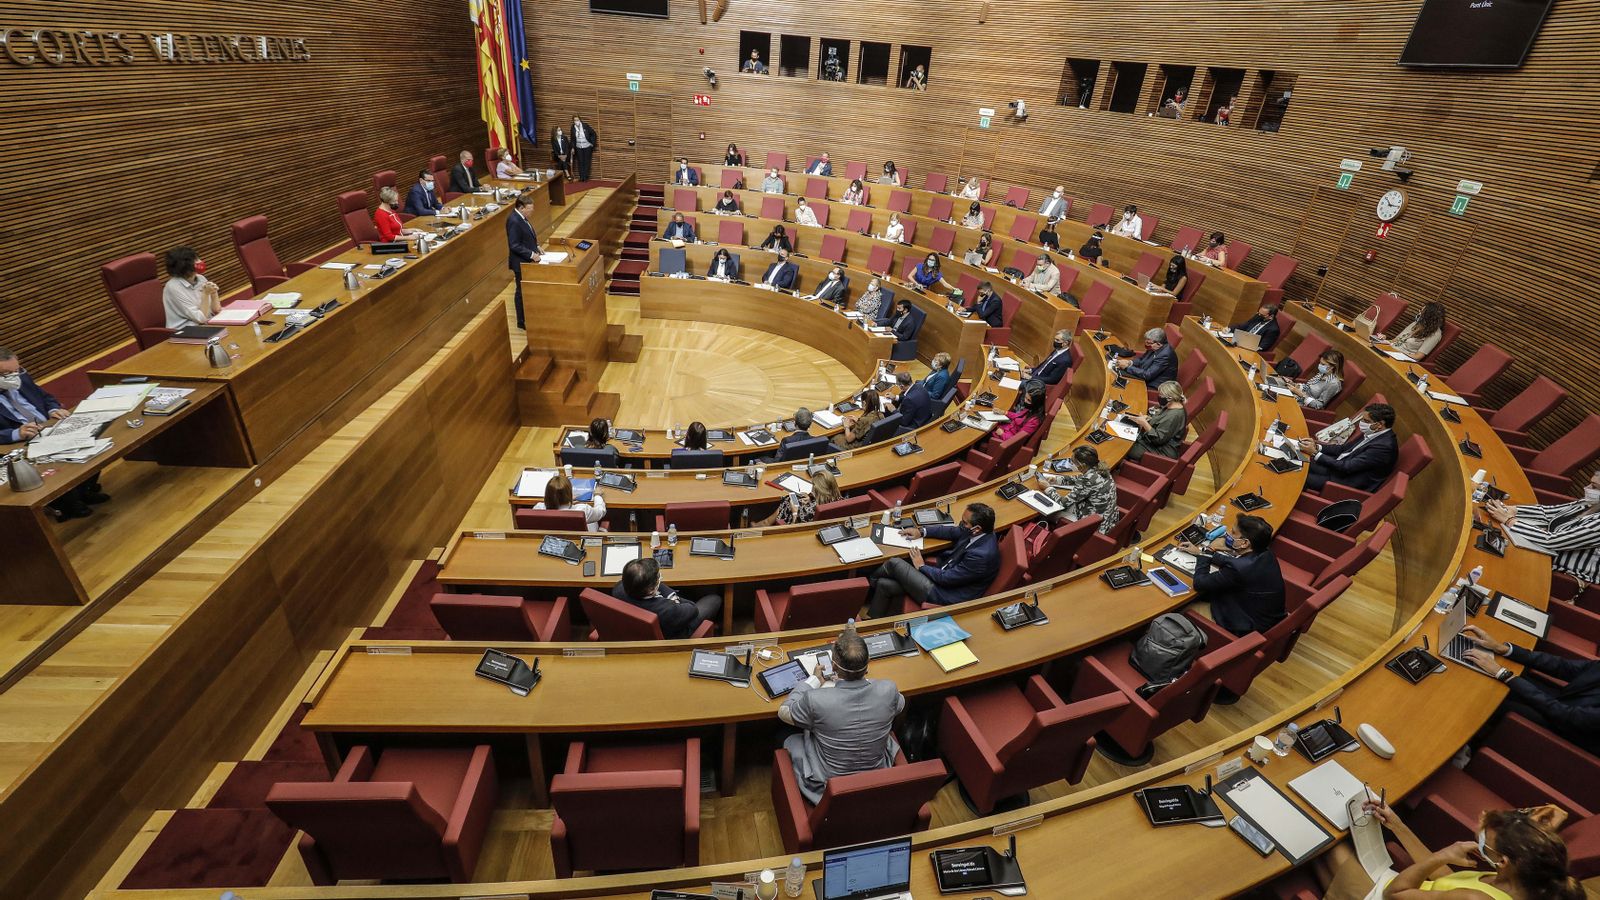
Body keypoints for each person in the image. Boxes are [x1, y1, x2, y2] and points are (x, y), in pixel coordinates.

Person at [1314, 803, 1582, 900]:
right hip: (1405, 888)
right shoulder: (1512, 881)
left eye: (1485, 839)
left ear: (1503, 861)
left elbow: (1394, 893)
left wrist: (1443, 854)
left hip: (1390, 893)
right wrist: (1398, 825)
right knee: (1317, 853)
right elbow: (1444, 880)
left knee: (1324, 842)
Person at [778, 623, 905, 804]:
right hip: (876, 774)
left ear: (834, 667)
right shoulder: (888, 689)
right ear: (867, 665)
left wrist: (814, 680)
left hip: (831, 783)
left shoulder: (816, 700)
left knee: (787, 737)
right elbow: (899, 706)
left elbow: (784, 711)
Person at [1461, 609, 1600, 754]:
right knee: (1498, 683)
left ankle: (1468, 746)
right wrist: (1502, 649)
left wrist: (1503, 674)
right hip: (1563, 701)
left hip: (1562, 731)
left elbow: (1565, 715)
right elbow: (1563, 666)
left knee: (1490, 700)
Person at [0, 348, 108, 521]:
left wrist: (53, 409)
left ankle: (84, 491)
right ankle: (68, 504)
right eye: (6, 374)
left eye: (16, 371)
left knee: (93, 441)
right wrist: (14, 433)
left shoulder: (20, 377)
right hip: (18, 443)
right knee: (59, 459)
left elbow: (45, 397)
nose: (13, 377)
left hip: (50, 427)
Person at [866, 503, 999, 617]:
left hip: (945, 595)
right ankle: (872, 622)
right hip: (941, 577)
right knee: (884, 584)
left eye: (964, 523)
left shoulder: (981, 556)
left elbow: (946, 579)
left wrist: (921, 566)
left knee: (894, 563)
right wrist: (921, 531)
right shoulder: (979, 532)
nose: (961, 525)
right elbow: (952, 531)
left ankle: (867, 584)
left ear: (977, 529)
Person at [1484, 471, 1600, 588]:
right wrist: (1511, 509)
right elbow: (1547, 512)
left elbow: (1552, 541)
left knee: (1495, 562)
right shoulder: (1590, 502)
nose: (1587, 488)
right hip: (1542, 551)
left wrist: (1509, 520)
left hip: (1561, 575)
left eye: (1594, 487)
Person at [1180, 515, 1285, 636]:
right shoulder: (1266, 553)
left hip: (1246, 627)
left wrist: (1209, 550)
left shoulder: (1239, 568)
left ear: (1245, 543)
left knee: (1182, 610)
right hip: (1264, 618)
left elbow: (1199, 583)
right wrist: (1201, 552)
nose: (1227, 535)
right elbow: (1234, 562)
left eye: (1233, 532)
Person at [1298, 402, 1398, 493]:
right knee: (1296, 461)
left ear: (1379, 424)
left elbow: (1347, 467)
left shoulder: (1383, 448)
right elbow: (1342, 449)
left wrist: (1315, 453)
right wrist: (1316, 447)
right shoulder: (1374, 432)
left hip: (1344, 482)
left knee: (1298, 476)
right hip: (1336, 469)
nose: (1361, 423)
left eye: (1366, 421)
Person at [613, 557, 722, 639]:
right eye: (658, 577)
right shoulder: (668, 610)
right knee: (714, 599)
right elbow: (692, 608)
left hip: (641, 627)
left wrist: (671, 595)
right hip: (676, 632)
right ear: (651, 590)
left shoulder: (619, 589)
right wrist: (675, 600)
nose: (660, 578)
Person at [1043, 446, 1120, 534]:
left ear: (1082, 465)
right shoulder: (1100, 468)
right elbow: (1080, 478)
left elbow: (1062, 503)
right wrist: (1057, 479)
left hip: (1093, 526)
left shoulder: (1088, 479)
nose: (1070, 463)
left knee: (1046, 512)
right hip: (1107, 521)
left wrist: (1048, 488)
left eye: (1072, 461)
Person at [1125, 380, 1188, 462]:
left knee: (1124, 446)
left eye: (1161, 395)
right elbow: (1161, 421)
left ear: (1169, 398)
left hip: (1161, 451)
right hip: (1152, 442)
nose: (1159, 396)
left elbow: (1158, 439)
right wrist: (1148, 419)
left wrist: (1144, 423)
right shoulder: (1171, 405)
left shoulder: (1174, 416)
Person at [758, 470, 844, 526]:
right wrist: (810, 498)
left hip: (805, 531)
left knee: (788, 500)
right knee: (792, 499)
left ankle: (765, 523)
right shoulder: (841, 500)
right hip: (831, 526)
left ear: (818, 488)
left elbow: (796, 529)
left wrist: (795, 512)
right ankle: (766, 522)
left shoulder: (806, 511)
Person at [161, 246, 220, 328]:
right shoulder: (173, 287)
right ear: (184, 265)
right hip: (186, 329)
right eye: (196, 260)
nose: (200, 261)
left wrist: (213, 293)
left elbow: (216, 310)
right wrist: (206, 294)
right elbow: (201, 319)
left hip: (205, 324)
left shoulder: (201, 278)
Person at [506, 193, 540, 330]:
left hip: (526, 261)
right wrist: (531, 254)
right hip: (520, 263)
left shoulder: (522, 217)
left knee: (526, 290)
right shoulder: (514, 221)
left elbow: (526, 236)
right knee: (521, 291)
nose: (532, 211)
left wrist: (536, 246)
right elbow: (514, 245)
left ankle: (528, 316)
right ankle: (521, 321)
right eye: (529, 209)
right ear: (521, 208)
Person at [534, 472, 608, 532]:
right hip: (581, 540)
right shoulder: (582, 510)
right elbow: (601, 511)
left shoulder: (538, 508)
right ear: (569, 493)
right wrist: (597, 496)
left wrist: (566, 500)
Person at [1382, 301, 1447, 360]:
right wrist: (1384, 340)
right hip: (1391, 350)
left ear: (1429, 316)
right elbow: (1395, 340)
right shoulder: (1416, 324)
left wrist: (1397, 353)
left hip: (1402, 358)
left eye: (1422, 312)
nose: (1419, 313)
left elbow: (1418, 356)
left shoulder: (1435, 334)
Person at [570, 116, 597, 181]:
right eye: (575, 120)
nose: (576, 121)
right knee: (580, 162)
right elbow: (572, 139)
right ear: (573, 121)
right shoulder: (573, 128)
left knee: (587, 162)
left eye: (577, 120)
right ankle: (581, 177)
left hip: (587, 146)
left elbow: (593, 133)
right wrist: (573, 147)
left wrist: (592, 143)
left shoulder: (585, 126)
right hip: (578, 147)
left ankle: (585, 177)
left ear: (580, 120)